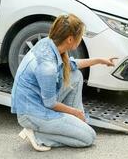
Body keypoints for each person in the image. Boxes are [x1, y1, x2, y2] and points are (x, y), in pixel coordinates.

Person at [11, 14, 117, 151]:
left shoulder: (49, 43)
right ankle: (38, 135)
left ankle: (72, 125)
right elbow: (50, 103)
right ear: (70, 39)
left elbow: (72, 65)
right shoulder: (47, 66)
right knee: (88, 137)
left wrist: (100, 60)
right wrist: (75, 112)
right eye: (80, 36)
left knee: (76, 76)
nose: (81, 39)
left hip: (40, 103)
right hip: (32, 114)